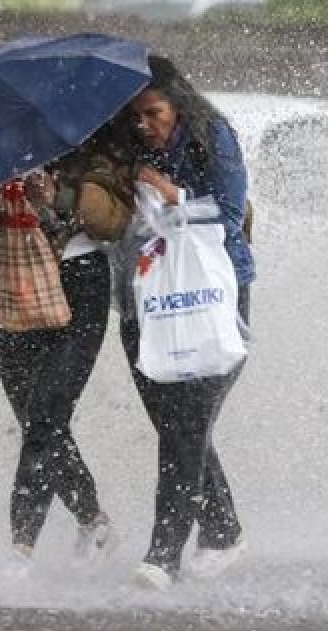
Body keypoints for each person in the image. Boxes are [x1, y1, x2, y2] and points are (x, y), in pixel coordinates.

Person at [0, 121, 136, 577]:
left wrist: (57, 195)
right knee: (34, 419)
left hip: (81, 284)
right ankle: (94, 522)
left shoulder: (97, 138)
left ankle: (21, 547)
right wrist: (2, 181)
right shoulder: (4, 139)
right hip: (17, 277)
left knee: (46, 414)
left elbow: (112, 220)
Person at [116, 55, 255, 591]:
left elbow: (230, 212)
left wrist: (172, 195)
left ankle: (163, 553)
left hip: (212, 296)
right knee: (173, 424)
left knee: (188, 422)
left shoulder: (212, 136)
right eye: (136, 116)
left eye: (153, 112)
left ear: (178, 105)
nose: (145, 125)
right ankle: (222, 532)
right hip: (147, 297)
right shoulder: (125, 149)